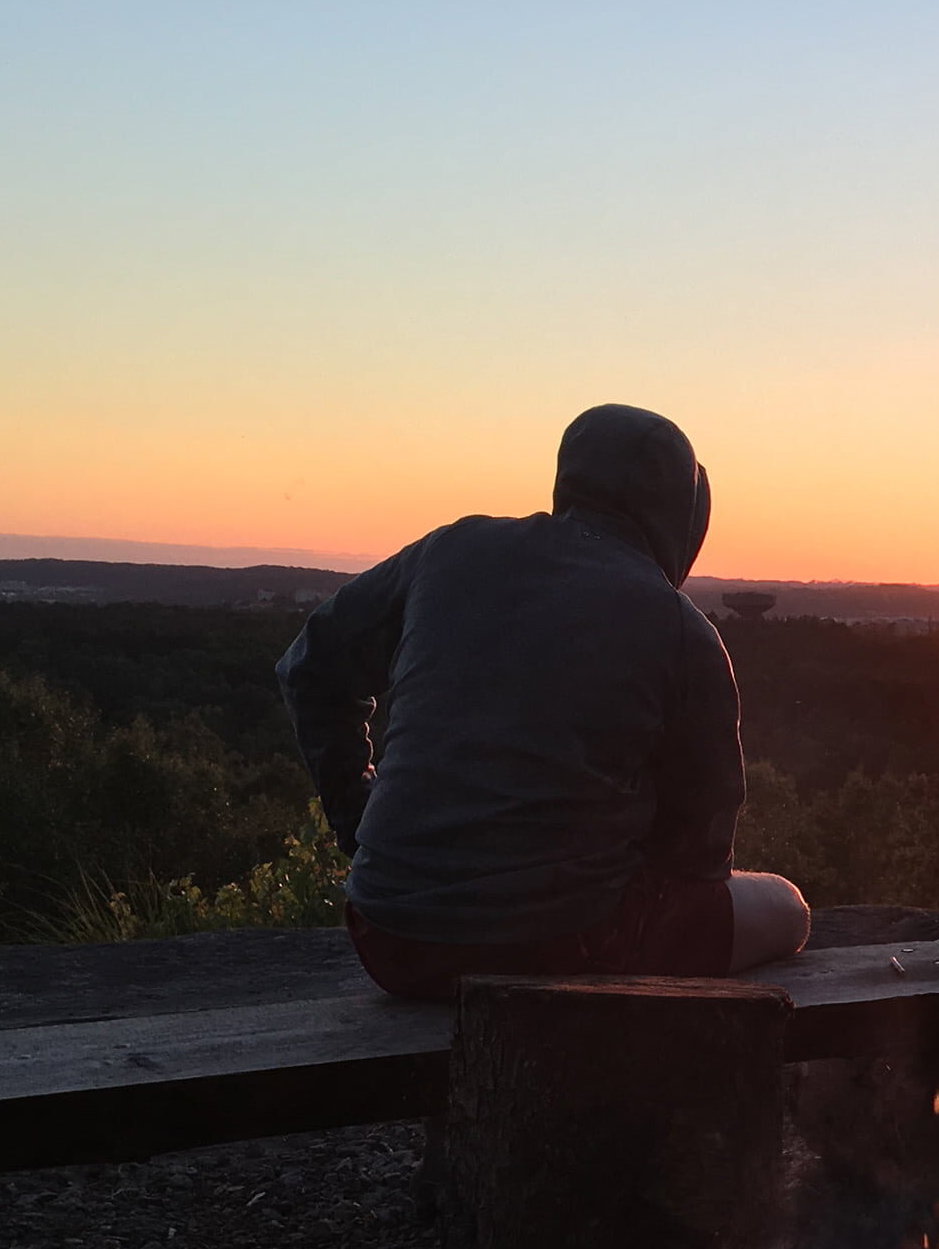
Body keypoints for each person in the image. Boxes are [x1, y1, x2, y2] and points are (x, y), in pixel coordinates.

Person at [278, 404, 809, 1001]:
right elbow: (699, 857)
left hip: (389, 939)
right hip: (566, 950)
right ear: (682, 516)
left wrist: (358, 820)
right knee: (787, 908)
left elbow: (309, 669)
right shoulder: (681, 628)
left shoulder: (450, 552)